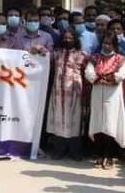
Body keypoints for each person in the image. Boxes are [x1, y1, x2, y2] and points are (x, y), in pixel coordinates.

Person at [86, 31, 125, 170]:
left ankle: (109, 156)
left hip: (113, 95)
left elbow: (121, 74)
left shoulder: (120, 59)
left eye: (110, 44)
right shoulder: (95, 58)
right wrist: (99, 78)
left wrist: (108, 78)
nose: (107, 46)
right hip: (97, 93)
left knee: (110, 124)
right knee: (98, 122)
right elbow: (89, 73)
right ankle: (99, 154)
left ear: (114, 45)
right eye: (105, 43)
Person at [46, 29, 88, 161]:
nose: (67, 40)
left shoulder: (82, 55)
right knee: (58, 120)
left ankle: (75, 151)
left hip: (75, 94)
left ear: (75, 39)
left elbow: (88, 73)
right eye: (65, 38)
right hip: (57, 93)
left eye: (70, 38)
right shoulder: (56, 53)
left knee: (74, 121)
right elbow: (43, 57)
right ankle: (59, 150)